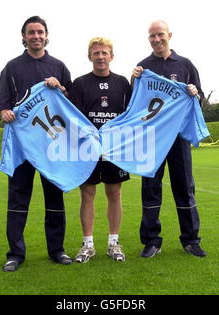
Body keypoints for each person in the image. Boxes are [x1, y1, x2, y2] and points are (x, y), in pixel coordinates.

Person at [0, 16, 73, 272]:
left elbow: (70, 104)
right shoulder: (12, 67)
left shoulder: (59, 66)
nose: (36, 36)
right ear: (24, 36)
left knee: (54, 198)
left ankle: (57, 250)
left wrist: (60, 87)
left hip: (52, 143)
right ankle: (15, 254)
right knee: (18, 199)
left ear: (47, 35)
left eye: (40, 32)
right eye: (31, 32)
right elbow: (4, 103)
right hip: (22, 144)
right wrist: (5, 111)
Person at [132, 20, 207, 258]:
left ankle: (191, 240)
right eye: (152, 36)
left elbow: (200, 96)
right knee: (150, 188)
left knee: (184, 187)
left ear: (169, 35)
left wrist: (195, 93)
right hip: (152, 140)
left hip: (178, 138)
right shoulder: (142, 67)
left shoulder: (185, 64)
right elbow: (134, 103)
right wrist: (133, 80)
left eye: (160, 35)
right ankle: (152, 241)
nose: (156, 39)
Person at [69, 37, 132, 263]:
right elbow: (73, 118)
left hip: (114, 149)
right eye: (96, 53)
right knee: (87, 194)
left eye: (105, 53)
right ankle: (88, 245)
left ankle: (114, 243)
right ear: (90, 57)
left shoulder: (124, 83)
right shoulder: (80, 83)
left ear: (111, 56)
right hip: (88, 149)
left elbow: (131, 115)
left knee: (114, 194)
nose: (101, 57)